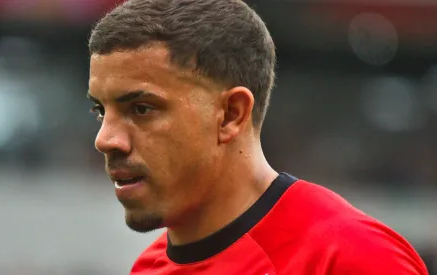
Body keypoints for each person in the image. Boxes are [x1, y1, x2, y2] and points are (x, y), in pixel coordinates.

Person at [86, 0, 429, 274]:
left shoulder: (351, 259)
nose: (106, 139)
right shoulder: (147, 268)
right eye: (101, 110)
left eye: (142, 109)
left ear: (231, 114)